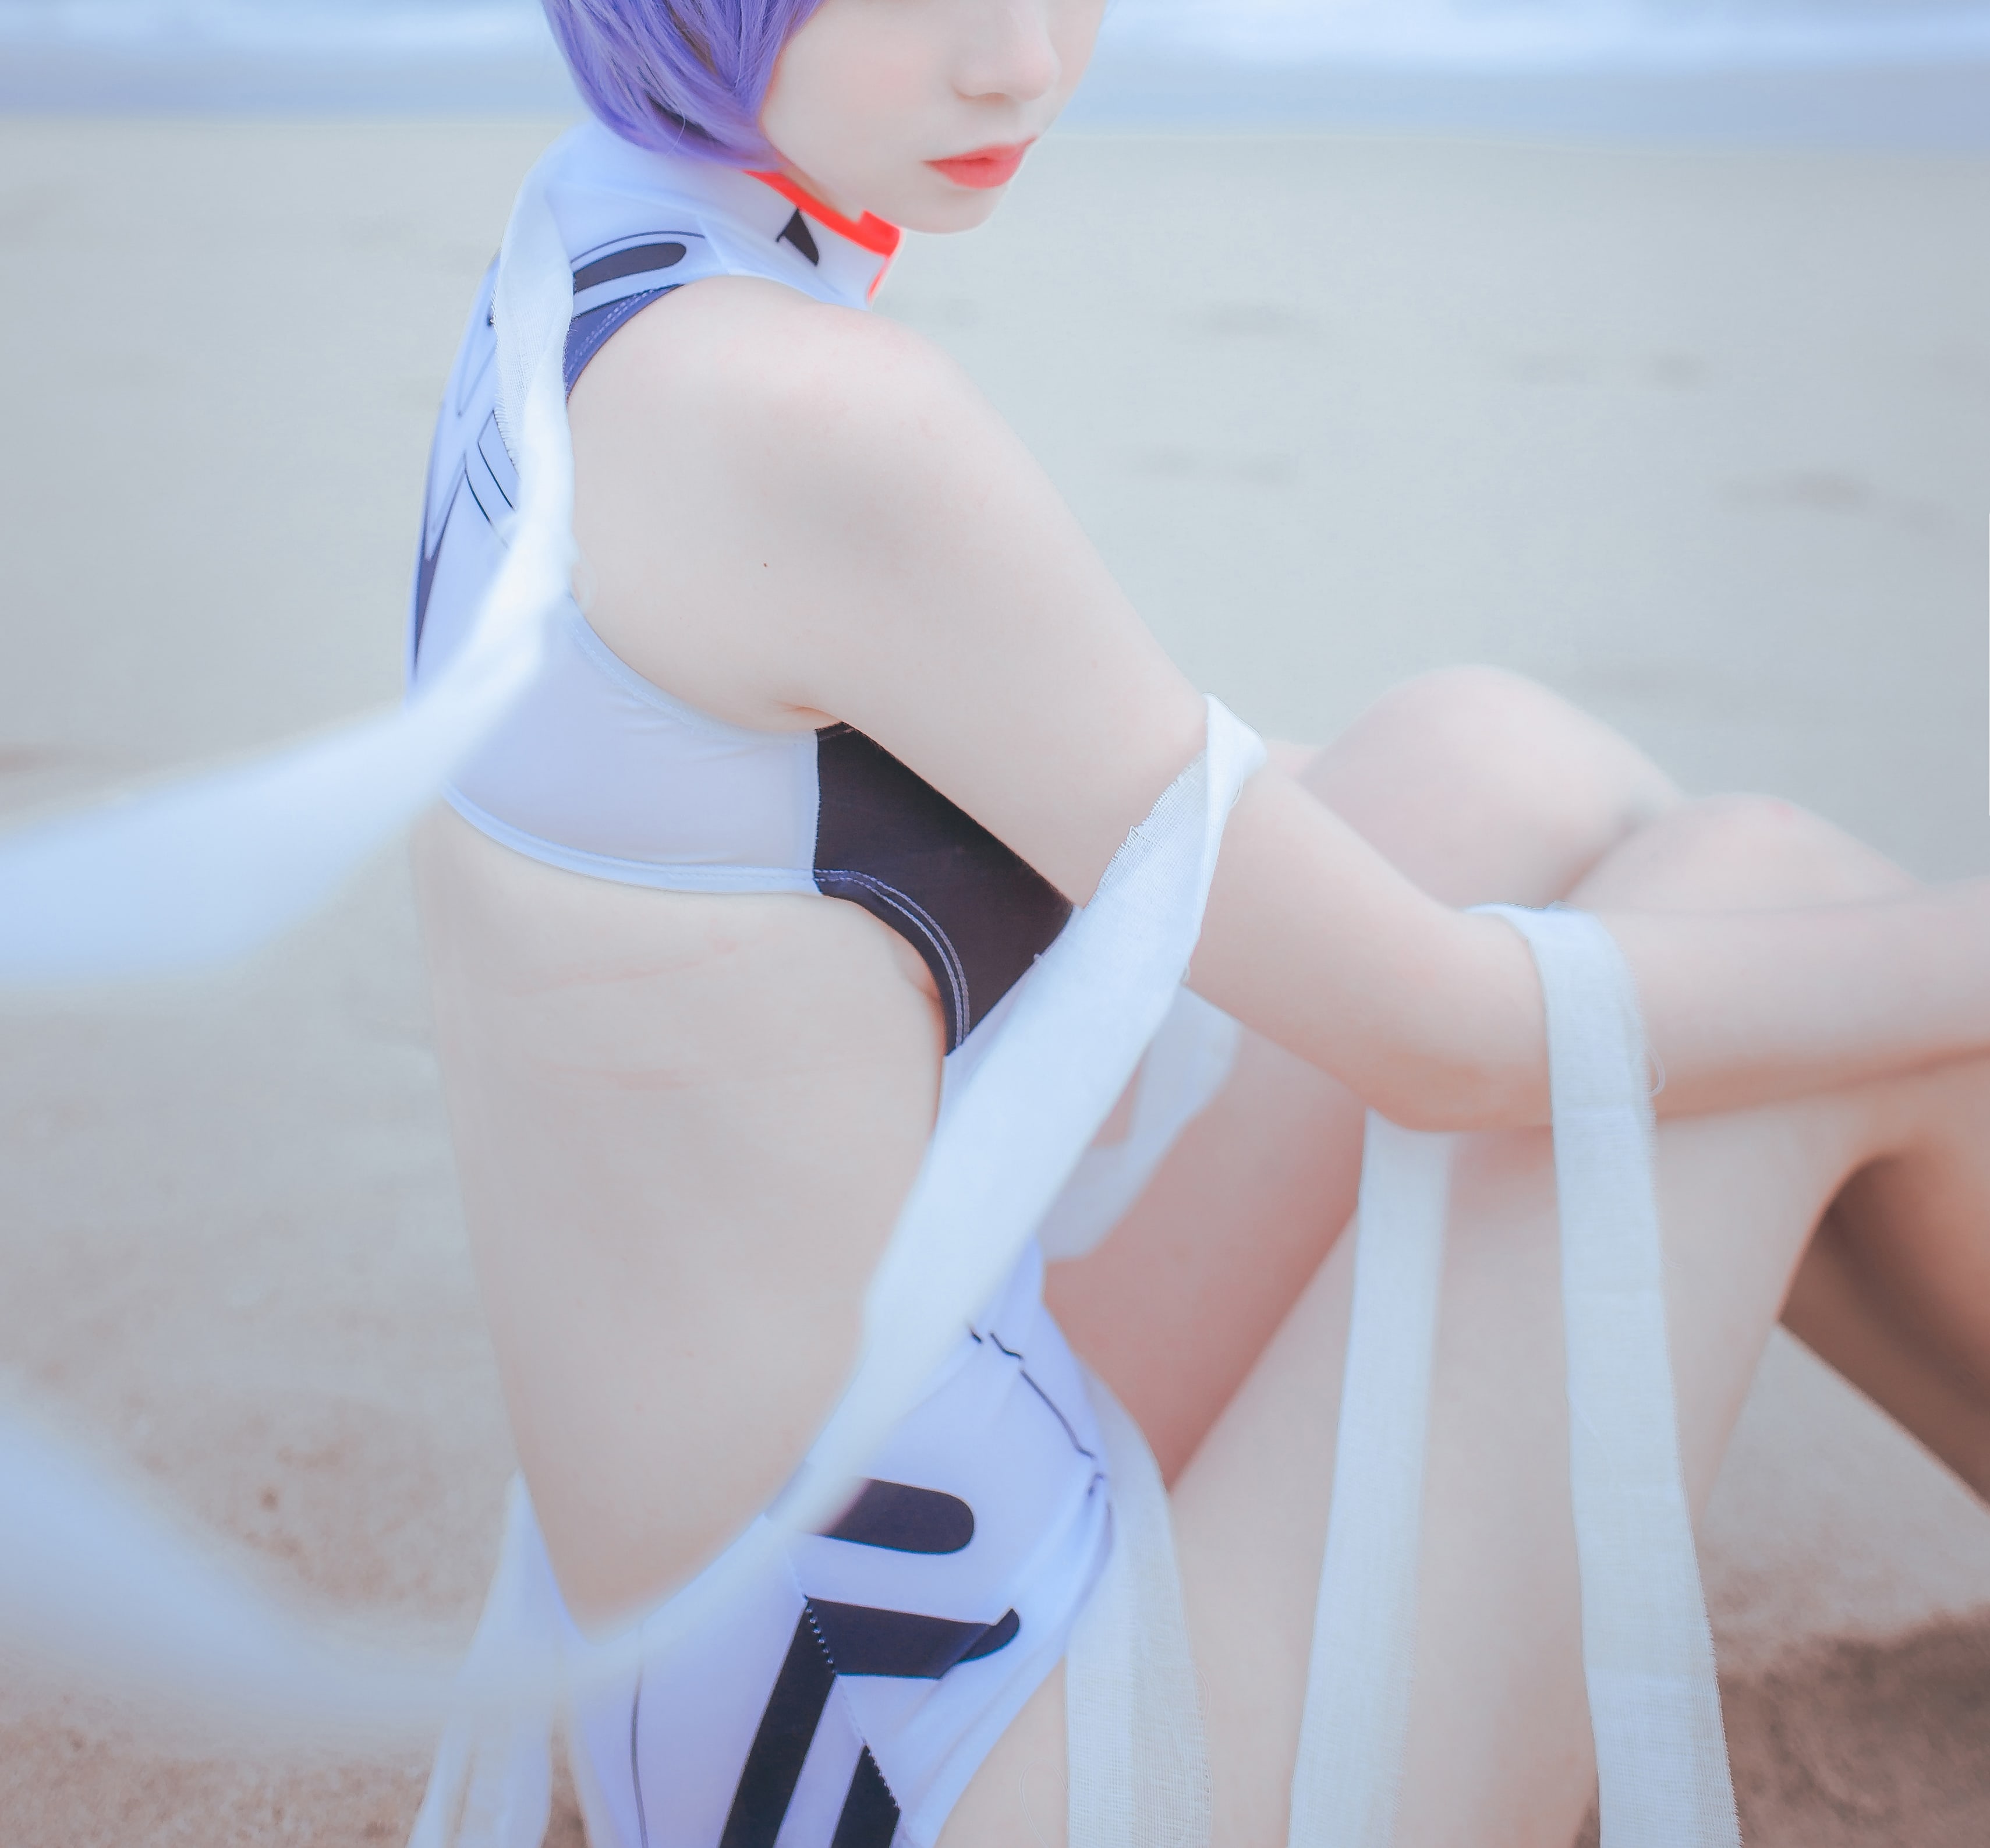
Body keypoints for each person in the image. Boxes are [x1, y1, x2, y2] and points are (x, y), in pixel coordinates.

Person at [401, 2, 1990, 1843]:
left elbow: (1098, 810)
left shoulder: (596, 248)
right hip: (952, 1771)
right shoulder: (813, 421)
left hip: (766, 1651)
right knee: (1760, 908)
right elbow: (1450, 1042)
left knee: (1493, 768)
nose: (1019, 65)